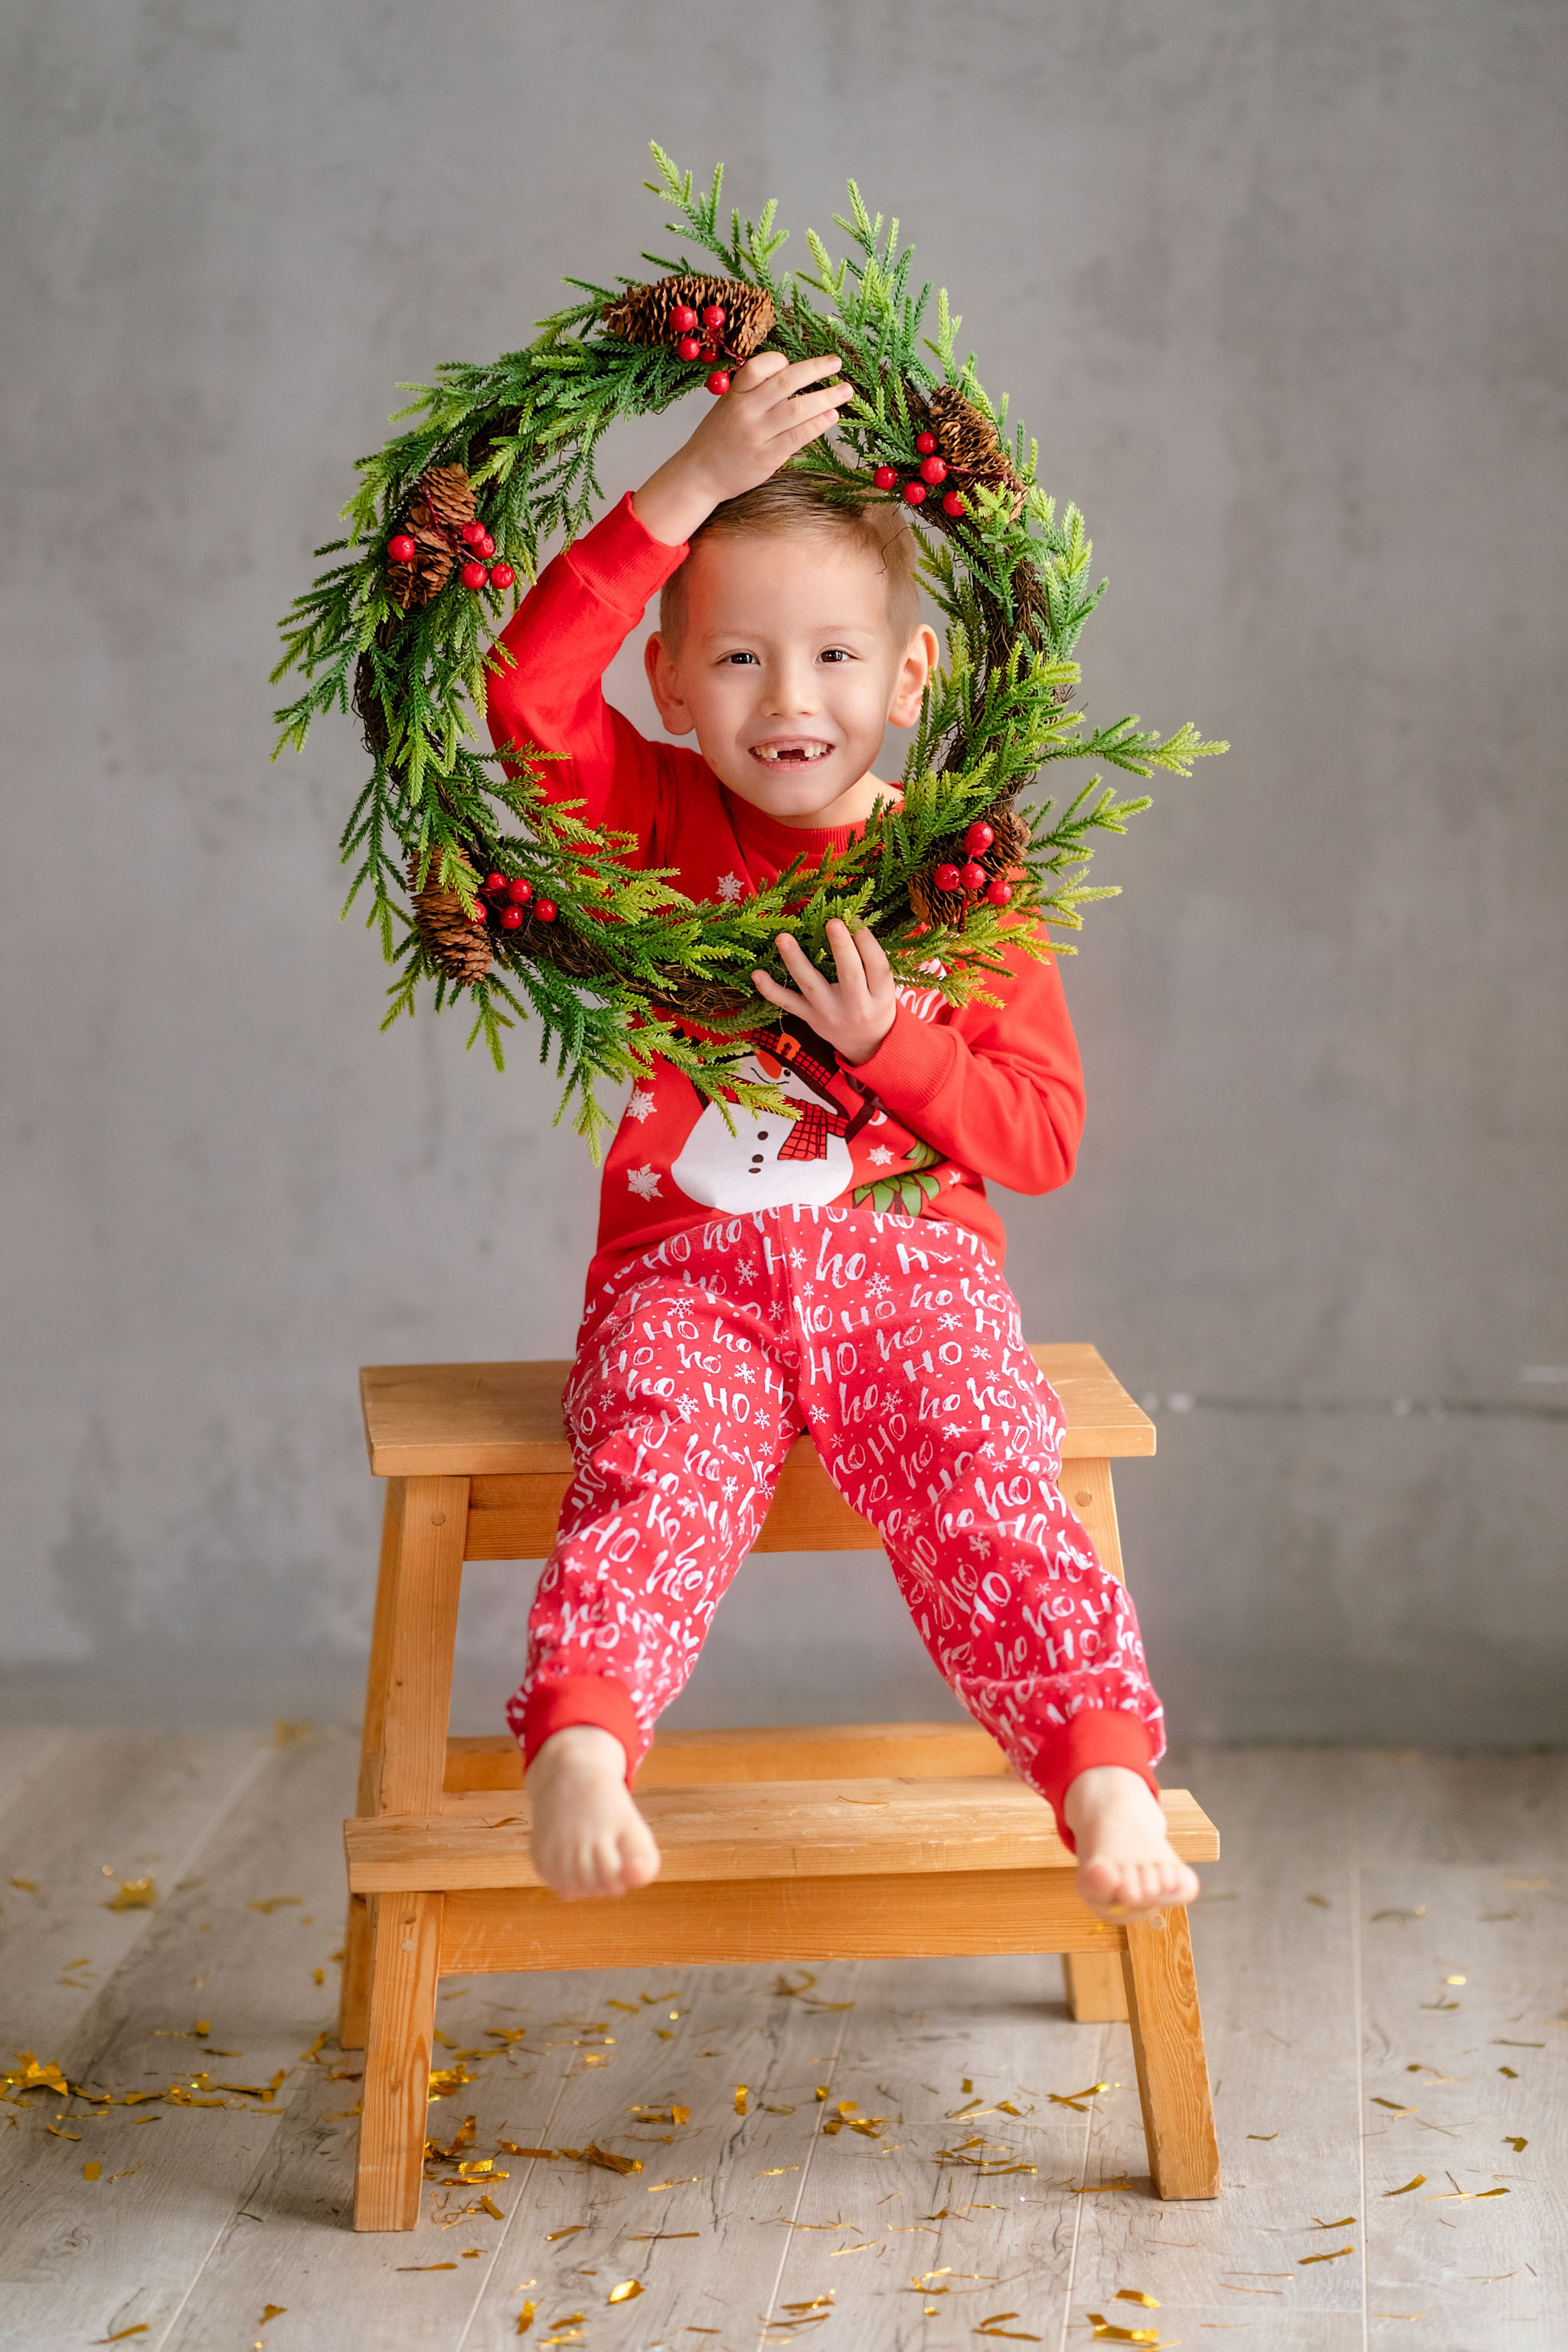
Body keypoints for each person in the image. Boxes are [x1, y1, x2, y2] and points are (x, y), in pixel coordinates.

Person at [485, 348, 1198, 1923]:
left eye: (831, 657)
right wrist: (688, 478)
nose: (789, 702)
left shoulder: (958, 879)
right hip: (691, 1274)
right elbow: (529, 695)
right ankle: (582, 1745)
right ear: (669, 684)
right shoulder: (655, 823)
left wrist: (895, 1042)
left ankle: (1099, 1773)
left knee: (987, 1480)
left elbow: (1038, 1135)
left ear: (914, 675)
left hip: (908, 1276)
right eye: (735, 660)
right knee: (651, 1472)